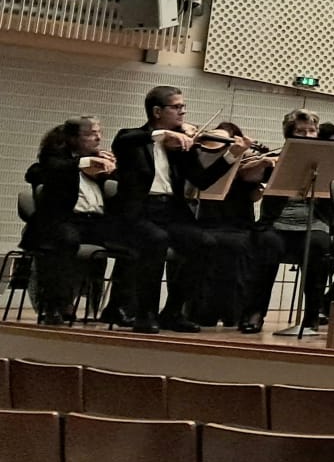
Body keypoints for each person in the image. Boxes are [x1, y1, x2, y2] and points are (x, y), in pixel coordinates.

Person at [106, 86, 243, 332]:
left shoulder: (181, 146)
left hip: (170, 212)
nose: (183, 112)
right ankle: (145, 314)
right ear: (157, 111)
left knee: (205, 243)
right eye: (177, 107)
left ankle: (173, 311)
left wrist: (231, 156)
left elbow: (202, 180)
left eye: (183, 107)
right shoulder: (131, 138)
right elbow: (123, 141)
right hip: (137, 214)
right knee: (156, 240)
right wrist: (162, 135)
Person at [22, 115, 119, 326]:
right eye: (91, 134)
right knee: (65, 240)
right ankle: (57, 305)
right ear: (73, 139)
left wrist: (112, 168)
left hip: (95, 222)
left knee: (135, 239)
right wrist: (84, 162)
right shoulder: (56, 162)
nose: (98, 138)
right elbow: (42, 171)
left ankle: (119, 307)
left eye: (99, 133)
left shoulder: (97, 164)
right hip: (65, 221)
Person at [190, 121, 281, 332]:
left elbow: (253, 188)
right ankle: (202, 311)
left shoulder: (247, 163)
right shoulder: (204, 164)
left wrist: (261, 163)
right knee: (212, 243)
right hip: (208, 221)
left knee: (240, 245)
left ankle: (233, 312)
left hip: (239, 224)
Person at [257, 108, 334, 330]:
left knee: (319, 245)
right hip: (277, 223)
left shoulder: (327, 163)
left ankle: (312, 316)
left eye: (312, 131)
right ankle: (255, 313)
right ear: (289, 135)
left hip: (314, 223)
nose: (308, 136)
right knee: (266, 244)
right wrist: (263, 165)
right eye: (301, 131)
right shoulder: (276, 160)